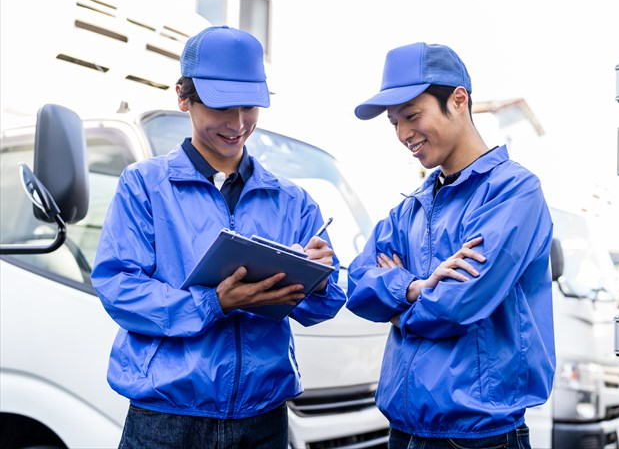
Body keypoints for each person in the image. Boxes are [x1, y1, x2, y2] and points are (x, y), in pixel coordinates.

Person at [91, 25, 346, 449]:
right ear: (182, 98)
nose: (238, 123)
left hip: (263, 420)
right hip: (167, 418)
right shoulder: (144, 185)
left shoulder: (292, 200)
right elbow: (119, 288)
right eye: (221, 106)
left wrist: (321, 278)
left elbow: (321, 308)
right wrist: (214, 303)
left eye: (249, 106)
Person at [346, 42, 555, 448]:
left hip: (479, 438)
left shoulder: (513, 192)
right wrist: (415, 288)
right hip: (404, 432)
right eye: (394, 123)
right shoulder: (412, 207)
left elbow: (459, 304)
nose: (404, 134)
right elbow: (356, 283)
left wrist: (395, 307)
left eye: (412, 115)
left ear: (458, 101)